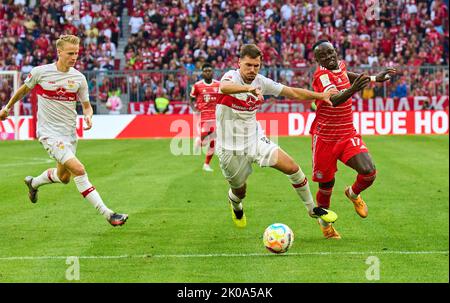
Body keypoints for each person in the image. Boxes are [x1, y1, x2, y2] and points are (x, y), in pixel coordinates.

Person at [0, 35, 128, 227]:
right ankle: (109, 214)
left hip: (69, 134)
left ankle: (33, 183)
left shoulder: (79, 78)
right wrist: (7, 108)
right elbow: (23, 90)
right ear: (59, 52)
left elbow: (86, 105)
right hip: (49, 133)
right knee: (79, 169)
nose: (74, 57)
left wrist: (88, 116)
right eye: (70, 53)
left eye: (76, 53)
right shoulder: (40, 72)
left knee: (64, 177)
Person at [217, 44, 338, 229]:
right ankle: (236, 205)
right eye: (248, 65)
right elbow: (224, 87)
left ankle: (312, 209)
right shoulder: (230, 77)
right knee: (239, 191)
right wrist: (248, 90)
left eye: (256, 66)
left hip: (255, 139)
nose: (252, 70)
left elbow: (292, 91)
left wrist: (321, 96)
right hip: (230, 148)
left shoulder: (261, 81)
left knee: (292, 167)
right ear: (239, 62)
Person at [311, 40, 396, 238]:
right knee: (326, 186)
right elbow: (333, 100)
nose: (330, 57)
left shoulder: (340, 65)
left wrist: (374, 78)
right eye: (323, 56)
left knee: (369, 172)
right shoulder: (321, 75)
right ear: (317, 60)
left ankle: (353, 193)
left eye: (331, 53)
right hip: (325, 138)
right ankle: (326, 227)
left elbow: (346, 76)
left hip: (347, 133)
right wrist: (353, 89)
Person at [189, 63, 220, 172]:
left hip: (216, 115)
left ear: (212, 72)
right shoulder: (197, 85)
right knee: (206, 135)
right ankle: (200, 141)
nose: (207, 72)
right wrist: (194, 108)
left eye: (209, 70)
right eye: (205, 71)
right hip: (203, 115)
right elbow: (191, 99)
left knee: (214, 140)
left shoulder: (218, 84)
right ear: (202, 72)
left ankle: (206, 164)